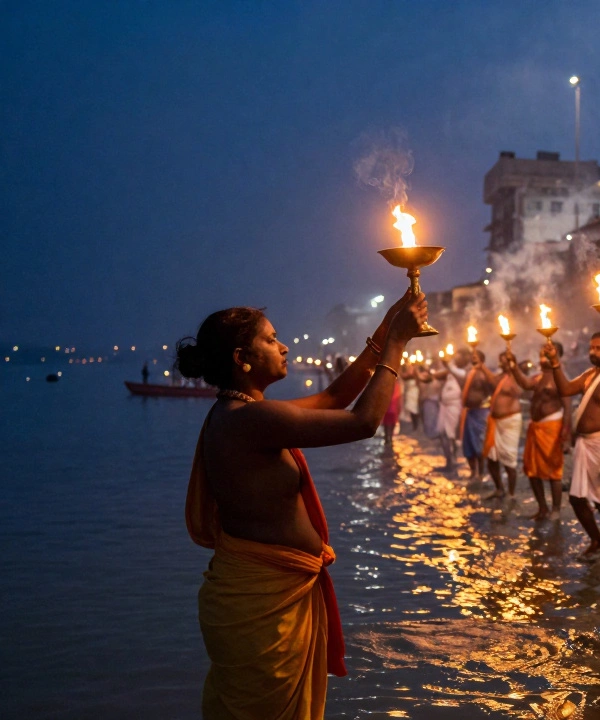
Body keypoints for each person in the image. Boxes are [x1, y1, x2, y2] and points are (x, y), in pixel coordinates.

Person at [178, 292, 428, 718]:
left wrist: (383, 334)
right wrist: (397, 346)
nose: (284, 346)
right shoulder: (250, 420)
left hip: (265, 593)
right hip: (262, 605)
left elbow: (333, 399)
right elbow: (363, 422)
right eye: (272, 340)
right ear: (243, 357)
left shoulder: (244, 412)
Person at [546, 333, 600, 560]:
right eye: (591, 348)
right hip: (584, 444)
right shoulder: (589, 375)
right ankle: (596, 539)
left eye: (598, 349)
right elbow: (565, 389)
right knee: (576, 498)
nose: (592, 353)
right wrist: (555, 363)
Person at [508, 341, 572, 520]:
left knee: (553, 472)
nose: (542, 356)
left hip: (553, 428)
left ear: (557, 355)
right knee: (532, 470)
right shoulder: (537, 377)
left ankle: (556, 510)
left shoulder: (561, 378)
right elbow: (525, 384)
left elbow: (568, 408)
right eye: (541, 353)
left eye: (547, 353)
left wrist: (566, 436)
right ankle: (543, 507)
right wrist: (513, 365)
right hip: (535, 428)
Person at [474, 350, 522, 498]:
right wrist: (482, 366)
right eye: (501, 360)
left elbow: (521, 390)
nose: (502, 363)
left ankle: (511, 494)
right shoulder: (502, 377)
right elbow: (493, 381)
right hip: (496, 422)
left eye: (506, 360)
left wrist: (515, 371)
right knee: (491, 457)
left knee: (509, 460)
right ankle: (499, 488)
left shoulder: (516, 377)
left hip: (510, 422)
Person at [458, 349, 494, 479]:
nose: (473, 358)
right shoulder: (469, 373)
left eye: (476, 356)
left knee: (480, 444)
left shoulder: (485, 374)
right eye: (472, 356)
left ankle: (481, 472)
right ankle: (473, 471)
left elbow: (492, 386)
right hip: (469, 412)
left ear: (482, 359)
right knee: (468, 444)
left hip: (481, 412)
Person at [434, 355, 464, 473]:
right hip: (444, 406)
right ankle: (449, 461)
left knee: (450, 434)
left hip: (454, 406)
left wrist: (450, 367)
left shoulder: (460, 372)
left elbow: (460, 376)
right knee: (442, 433)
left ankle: (453, 460)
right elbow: (436, 375)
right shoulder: (448, 372)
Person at [418, 362, 442, 442]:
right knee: (428, 419)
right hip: (428, 402)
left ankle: (434, 433)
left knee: (434, 418)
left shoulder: (436, 381)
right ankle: (430, 434)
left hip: (434, 402)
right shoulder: (426, 380)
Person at [381, 376, 403, 447]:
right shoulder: (397, 386)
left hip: (387, 407)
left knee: (387, 424)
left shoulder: (385, 385)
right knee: (391, 423)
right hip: (393, 407)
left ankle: (387, 438)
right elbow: (399, 397)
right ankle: (389, 438)